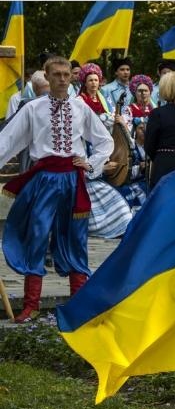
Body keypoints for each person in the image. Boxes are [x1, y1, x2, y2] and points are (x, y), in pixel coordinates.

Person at [0, 56, 114, 323]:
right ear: (47, 77)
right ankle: (31, 305)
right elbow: (7, 141)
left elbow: (104, 141)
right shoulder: (33, 109)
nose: (62, 79)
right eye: (57, 74)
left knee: (76, 238)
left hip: (73, 180)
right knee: (37, 235)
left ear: (72, 77)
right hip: (44, 180)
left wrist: (91, 163)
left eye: (66, 74)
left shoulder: (81, 107)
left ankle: (78, 305)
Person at [76, 63, 133, 239]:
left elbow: (111, 121)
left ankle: (113, 223)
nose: (94, 83)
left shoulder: (104, 100)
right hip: (86, 145)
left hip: (103, 145)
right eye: (90, 80)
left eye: (96, 80)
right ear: (84, 83)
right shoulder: (79, 101)